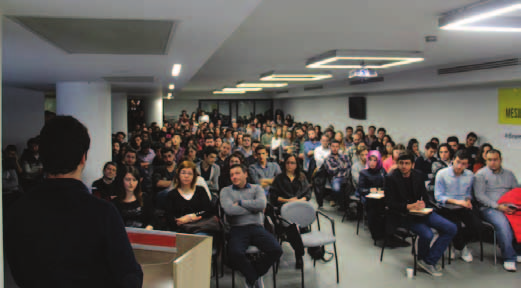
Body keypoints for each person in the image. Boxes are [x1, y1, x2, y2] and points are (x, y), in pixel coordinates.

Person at [5, 116, 143, 287]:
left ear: (42, 155)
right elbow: (129, 277)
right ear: (83, 158)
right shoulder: (103, 213)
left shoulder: (16, 211)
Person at [384, 152, 457, 276]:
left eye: (407, 163)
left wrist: (423, 204)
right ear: (397, 164)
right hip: (404, 215)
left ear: (412, 165)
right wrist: (408, 206)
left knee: (451, 228)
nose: (404, 166)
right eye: (401, 163)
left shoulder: (418, 175)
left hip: (422, 212)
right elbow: (389, 203)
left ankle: (427, 260)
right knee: (427, 234)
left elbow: (424, 196)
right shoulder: (391, 178)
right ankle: (426, 261)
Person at [220, 164, 283, 288]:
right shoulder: (225, 191)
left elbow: (261, 204)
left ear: (245, 174)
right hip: (237, 228)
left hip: (256, 227)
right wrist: (254, 209)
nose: (234, 177)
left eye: (237, 173)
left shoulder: (256, 188)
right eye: (232, 174)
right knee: (234, 253)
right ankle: (254, 276)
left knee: (276, 249)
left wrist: (241, 203)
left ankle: (251, 273)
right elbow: (229, 210)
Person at [474, 149, 521, 271]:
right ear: (486, 160)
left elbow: (516, 190)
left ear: (500, 160)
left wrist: (512, 205)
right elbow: (480, 196)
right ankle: (509, 258)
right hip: (490, 208)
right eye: (489, 160)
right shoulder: (480, 174)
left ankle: (518, 251)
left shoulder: (509, 174)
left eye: (495, 160)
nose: (492, 162)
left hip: (509, 206)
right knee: (503, 224)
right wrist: (497, 206)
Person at [435, 150, 483, 263]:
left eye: (464, 164)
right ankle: (461, 248)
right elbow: (438, 197)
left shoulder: (470, 175)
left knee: (478, 227)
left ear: (467, 165)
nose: (460, 166)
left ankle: (457, 244)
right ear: (453, 160)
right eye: (458, 162)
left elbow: (468, 193)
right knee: (456, 227)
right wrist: (457, 202)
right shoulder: (442, 174)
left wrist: (467, 200)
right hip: (446, 208)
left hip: (462, 207)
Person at [165, 161, 215, 233]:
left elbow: (209, 211)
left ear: (194, 176)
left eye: (190, 173)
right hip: (180, 229)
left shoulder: (200, 190)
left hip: (200, 227)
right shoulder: (171, 194)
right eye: (183, 173)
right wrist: (180, 222)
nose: (186, 176)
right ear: (178, 174)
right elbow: (169, 217)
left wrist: (191, 218)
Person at [358, 150, 387, 241]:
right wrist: (371, 190)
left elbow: (386, 185)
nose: (372, 162)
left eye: (375, 160)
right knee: (373, 208)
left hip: (382, 197)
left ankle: (387, 232)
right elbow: (361, 189)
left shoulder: (382, 171)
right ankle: (376, 235)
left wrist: (382, 190)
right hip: (369, 198)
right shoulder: (364, 173)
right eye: (370, 160)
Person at [324, 140, 351, 208]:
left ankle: (346, 206)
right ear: (330, 147)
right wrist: (341, 166)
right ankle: (341, 203)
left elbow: (348, 167)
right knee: (336, 189)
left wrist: (339, 167)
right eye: (333, 146)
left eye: (337, 146)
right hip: (335, 178)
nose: (335, 148)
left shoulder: (344, 156)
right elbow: (331, 171)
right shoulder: (328, 158)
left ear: (339, 147)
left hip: (346, 177)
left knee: (349, 186)